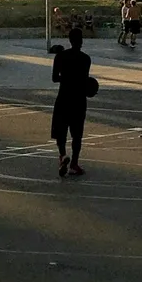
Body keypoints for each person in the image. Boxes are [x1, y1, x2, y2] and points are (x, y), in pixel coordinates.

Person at [51, 27, 92, 177]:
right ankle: (74, 163)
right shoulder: (86, 59)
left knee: (61, 132)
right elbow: (85, 80)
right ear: (81, 41)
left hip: (63, 97)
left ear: (69, 40)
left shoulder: (60, 57)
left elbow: (55, 78)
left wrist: (66, 78)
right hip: (78, 99)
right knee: (77, 134)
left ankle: (62, 155)